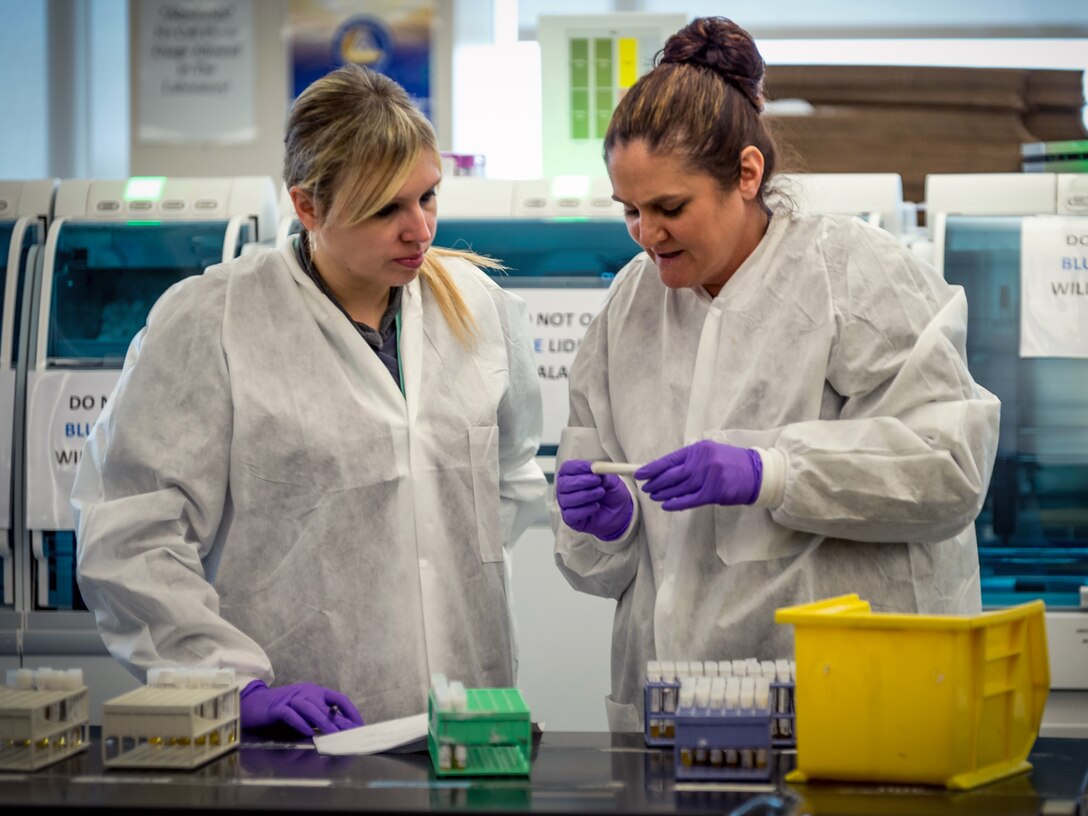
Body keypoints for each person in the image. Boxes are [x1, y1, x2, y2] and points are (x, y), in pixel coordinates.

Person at [552, 17, 1000, 732]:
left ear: (748, 173)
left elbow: (949, 469)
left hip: (853, 708)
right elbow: (600, 569)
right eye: (630, 211)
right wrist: (609, 524)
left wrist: (775, 472)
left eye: (670, 208)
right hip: (672, 707)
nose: (646, 233)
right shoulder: (629, 308)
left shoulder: (853, 274)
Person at [72, 64, 547, 737]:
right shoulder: (215, 321)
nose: (421, 230)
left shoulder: (478, 309)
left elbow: (506, 479)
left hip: (469, 719)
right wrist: (229, 685)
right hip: (301, 729)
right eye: (387, 209)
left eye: (428, 197)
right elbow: (131, 533)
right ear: (308, 207)